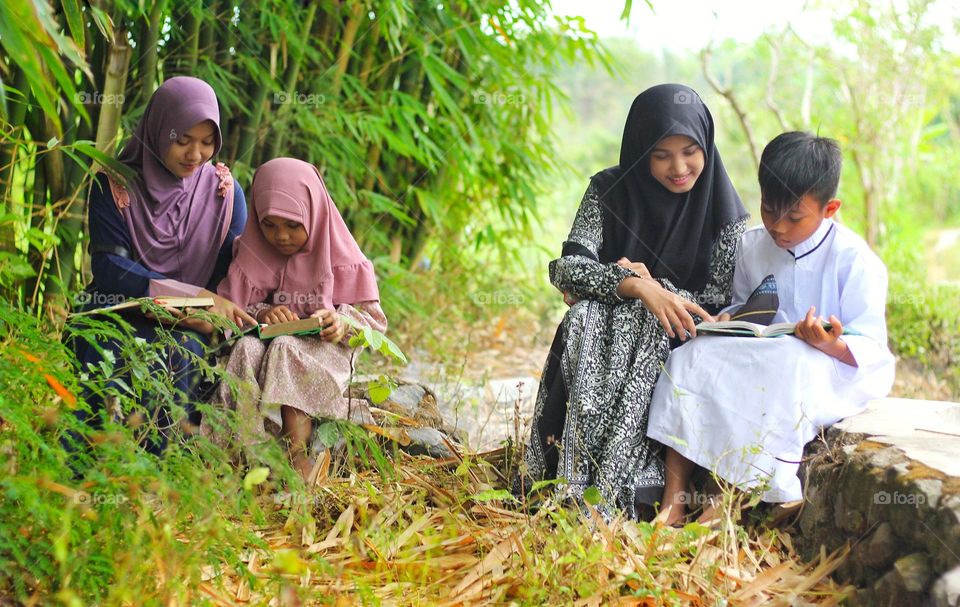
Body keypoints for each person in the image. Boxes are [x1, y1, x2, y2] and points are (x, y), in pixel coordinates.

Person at [515, 84, 749, 519]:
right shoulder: (609, 191)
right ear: (641, 150)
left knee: (635, 324)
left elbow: (717, 303)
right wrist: (635, 286)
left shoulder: (724, 212)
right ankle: (563, 473)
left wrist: (659, 291)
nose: (678, 168)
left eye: (690, 151)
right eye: (661, 155)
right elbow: (566, 270)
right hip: (603, 326)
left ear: (707, 146)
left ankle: (631, 487)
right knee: (585, 317)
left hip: (681, 339)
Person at [647, 131, 896, 524]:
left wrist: (831, 344)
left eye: (794, 217)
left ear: (830, 209)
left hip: (825, 368)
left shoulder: (855, 260)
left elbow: (871, 345)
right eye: (768, 210)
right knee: (691, 358)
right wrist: (730, 319)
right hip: (762, 351)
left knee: (787, 364)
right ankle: (673, 502)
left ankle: (722, 505)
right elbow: (743, 304)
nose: (778, 226)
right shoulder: (751, 247)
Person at [74, 76, 256, 454]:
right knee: (105, 347)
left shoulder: (223, 193)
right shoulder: (115, 185)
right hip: (119, 308)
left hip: (194, 323)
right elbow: (111, 268)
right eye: (183, 140)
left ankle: (155, 471)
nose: (195, 155)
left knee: (184, 352)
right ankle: (90, 461)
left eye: (207, 143)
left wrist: (207, 310)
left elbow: (233, 273)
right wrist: (186, 299)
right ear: (158, 131)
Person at [212, 157, 386, 481]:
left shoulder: (341, 254)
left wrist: (341, 322)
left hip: (325, 351)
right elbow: (231, 311)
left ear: (315, 214)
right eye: (270, 225)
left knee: (284, 348)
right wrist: (263, 312)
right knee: (245, 352)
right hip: (272, 344)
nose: (281, 236)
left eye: (293, 225)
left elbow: (374, 322)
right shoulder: (252, 252)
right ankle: (238, 454)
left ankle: (297, 457)